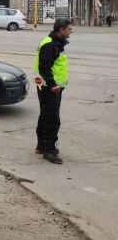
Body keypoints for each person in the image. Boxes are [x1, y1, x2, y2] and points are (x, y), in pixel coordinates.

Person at [33, 18, 72, 164]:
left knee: (45, 115)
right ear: (61, 30)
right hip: (50, 87)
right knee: (52, 118)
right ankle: (49, 150)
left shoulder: (54, 42)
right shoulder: (49, 45)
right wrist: (52, 84)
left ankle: (41, 145)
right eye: (69, 29)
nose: (71, 31)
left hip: (50, 86)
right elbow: (44, 67)